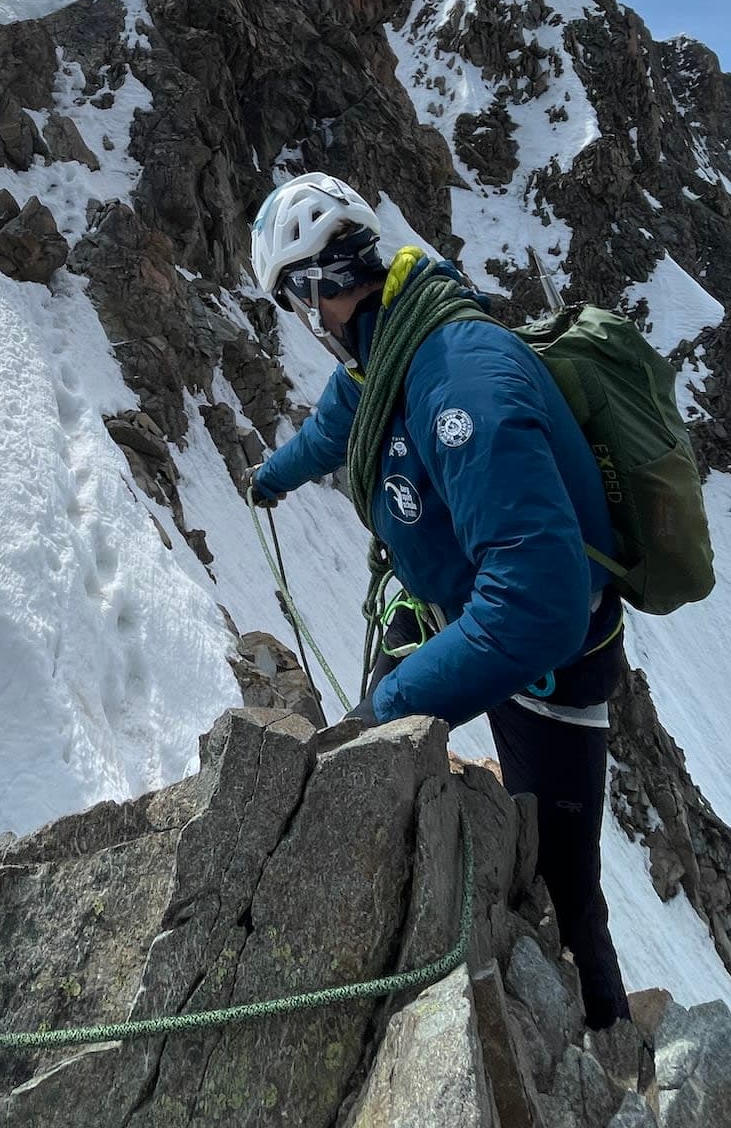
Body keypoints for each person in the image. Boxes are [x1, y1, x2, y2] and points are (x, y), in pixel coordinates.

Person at [247, 172, 630, 1030]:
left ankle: (612, 1044)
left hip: (555, 674)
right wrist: (269, 480)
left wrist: (397, 704)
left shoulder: (460, 381)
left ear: (313, 296)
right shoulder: (391, 338)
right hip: (482, 633)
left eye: (294, 302)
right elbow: (339, 423)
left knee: (572, 886)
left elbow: (539, 606)